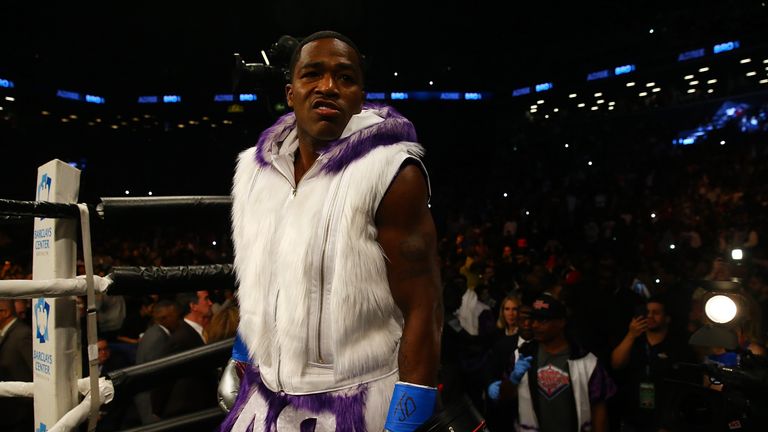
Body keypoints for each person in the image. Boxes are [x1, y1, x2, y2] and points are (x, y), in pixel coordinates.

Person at [219, 30, 442, 432]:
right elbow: (261, 284)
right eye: (313, 74)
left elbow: (424, 307)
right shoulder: (254, 174)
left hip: (358, 401)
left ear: (360, 96)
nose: (328, 87)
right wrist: (241, 353)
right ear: (291, 92)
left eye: (345, 77)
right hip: (265, 397)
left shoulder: (393, 174)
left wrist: (406, 422)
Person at [513, 294, 615, 432]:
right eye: (534, 320)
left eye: (542, 320)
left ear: (561, 322)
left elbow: (599, 412)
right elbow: (503, 398)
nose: (535, 325)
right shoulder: (521, 355)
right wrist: (511, 380)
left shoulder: (586, 362)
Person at [610, 296, 695, 432]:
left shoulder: (679, 346)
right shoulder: (635, 340)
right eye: (647, 312)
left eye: (656, 313)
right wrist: (631, 335)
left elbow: (686, 384)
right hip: (633, 417)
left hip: (665, 419)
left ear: (667, 318)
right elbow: (616, 364)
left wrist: (669, 422)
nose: (649, 316)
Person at [0, 298, 34, 432]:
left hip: (21, 411)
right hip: (8, 409)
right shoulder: (7, 333)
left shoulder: (22, 334)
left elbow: (35, 370)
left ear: (5, 312)